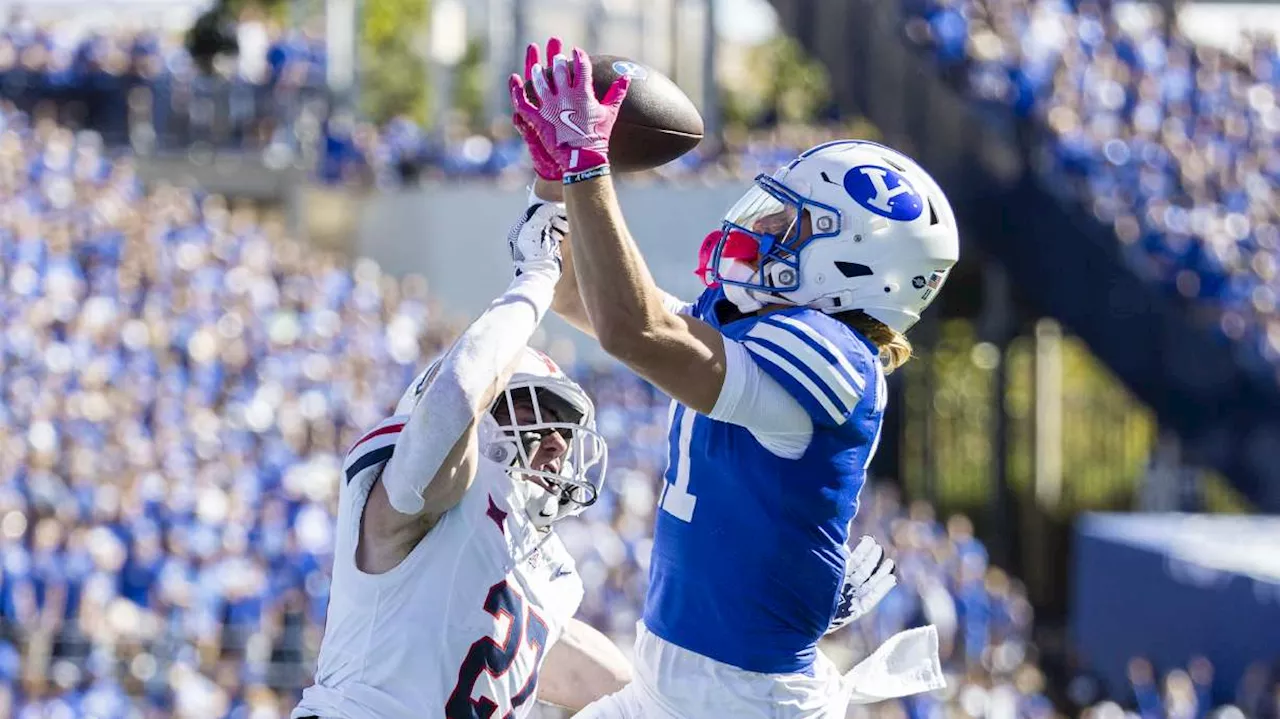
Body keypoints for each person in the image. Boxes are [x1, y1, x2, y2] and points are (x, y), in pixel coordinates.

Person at [509, 41, 956, 718]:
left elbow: (639, 331)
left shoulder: (836, 359)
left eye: (790, 223)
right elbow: (581, 299)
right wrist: (554, 172)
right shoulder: (756, 334)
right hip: (675, 685)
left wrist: (589, 165)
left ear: (857, 266)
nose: (761, 228)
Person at [291, 201, 632, 719]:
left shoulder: (547, 575)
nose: (558, 443)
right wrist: (538, 277)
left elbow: (618, 688)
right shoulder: (436, 491)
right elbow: (457, 394)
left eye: (564, 428)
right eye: (534, 413)